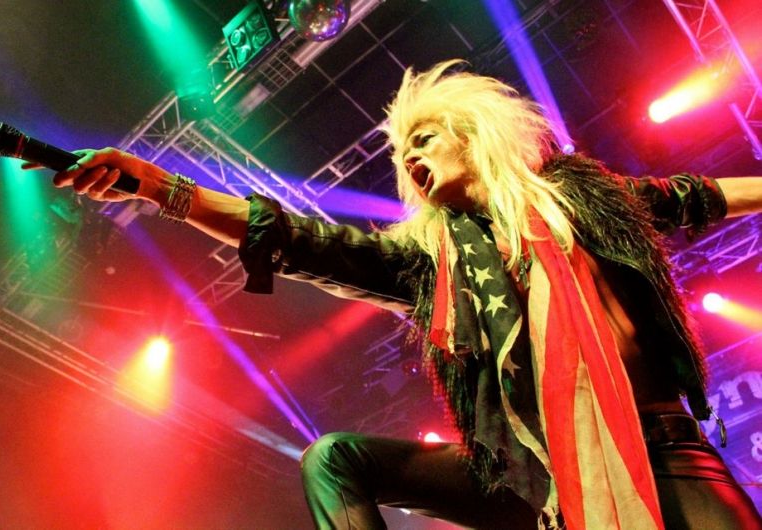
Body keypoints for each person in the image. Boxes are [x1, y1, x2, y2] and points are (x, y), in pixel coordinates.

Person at [48, 61, 762, 529]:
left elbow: (693, 196)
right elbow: (302, 241)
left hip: (662, 449)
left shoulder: (585, 199)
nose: (409, 157)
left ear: (473, 134)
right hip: (526, 472)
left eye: (422, 138)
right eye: (400, 153)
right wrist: (161, 188)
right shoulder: (428, 264)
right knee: (334, 459)